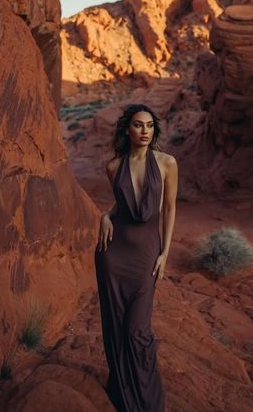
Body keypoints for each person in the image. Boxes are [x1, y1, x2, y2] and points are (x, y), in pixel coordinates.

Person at [94, 103, 178, 412]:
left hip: (146, 254)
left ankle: (148, 401)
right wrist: (106, 215)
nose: (144, 131)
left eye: (149, 126)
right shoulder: (114, 166)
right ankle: (121, 388)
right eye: (138, 125)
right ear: (127, 130)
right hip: (113, 255)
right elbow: (123, 205)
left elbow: (168, 209)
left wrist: (165, 253)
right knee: (116, 325)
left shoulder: (167, 163)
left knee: (137, 330)